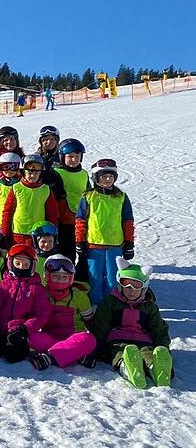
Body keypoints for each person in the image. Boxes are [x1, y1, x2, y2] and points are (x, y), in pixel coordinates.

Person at [89, 261, 172, 389]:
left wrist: (162, 346)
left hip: (144, 340)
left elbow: (159, 327)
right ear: (119, 285)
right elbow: (101, 324)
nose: (131, 290)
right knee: (120, 353)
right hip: (118, 340)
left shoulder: (149, 306)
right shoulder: (110, 302)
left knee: (148, 353)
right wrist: (99, 347)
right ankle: (129, 368)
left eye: (136, 286)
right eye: (126, 285)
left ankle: (157, 369)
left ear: (143, 288)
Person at [76, 159, 135, 305]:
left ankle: (110, 305)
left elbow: (127, 221)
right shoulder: (88, 196)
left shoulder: (121, 197)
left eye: (111, 176)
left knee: (112, 277)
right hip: (94, 245)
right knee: (94, 276)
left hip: (115, 245)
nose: (108, 180)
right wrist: (80, 241)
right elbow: (80, 221)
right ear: (96, 178)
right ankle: (95, 304)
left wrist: (129, 243)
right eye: (103, 177)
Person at [0, 244, 51, 363]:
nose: (21, 267)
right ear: (11, 263)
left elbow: (42, 314)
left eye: (25, 264)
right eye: (17, 263)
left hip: (19, 330)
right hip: (0, 327)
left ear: (32, 265)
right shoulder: (3, 285)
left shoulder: (37, 288)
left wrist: (25, 328)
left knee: (12, 355)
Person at [28, 255, 97, 371]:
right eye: (56, 277)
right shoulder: (41, 294)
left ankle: (49, 357)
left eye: (64, 277)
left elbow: (90, 322)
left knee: (89, 339)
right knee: (32, 338)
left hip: (74, 338)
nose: (60, 280)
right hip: (50, 338)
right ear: (47, 276)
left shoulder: (79, 296)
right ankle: (74, 354)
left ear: (71, 278)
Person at [0, 155, 58, 246]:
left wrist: (53, 231)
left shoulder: (46, 189)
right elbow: (8, 211)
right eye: (29, 173)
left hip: (39, 233)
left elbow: (52, 213)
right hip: (18, 232)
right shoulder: (16, 188)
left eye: (36, 173)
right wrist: (4, 232)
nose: (32, 176)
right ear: (23, 172)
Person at [52, 138, 90, 264]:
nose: (74, 160)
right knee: (64, 251)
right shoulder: (56, 173)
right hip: (63, 220)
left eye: (77, 156)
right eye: (70, 156)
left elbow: (89, 194)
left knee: (81, 249)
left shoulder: (84, 174)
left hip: (80, 218)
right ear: (62, 157)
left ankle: (78, 276)